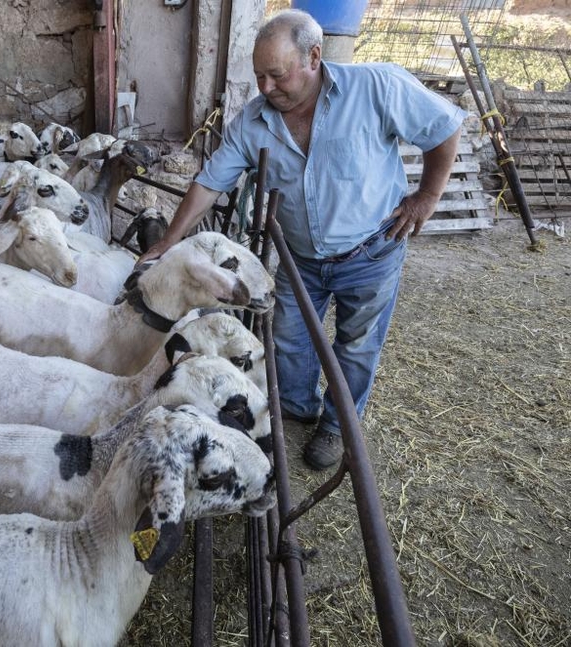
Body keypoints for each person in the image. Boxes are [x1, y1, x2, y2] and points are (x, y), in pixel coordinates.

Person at [137, 9, 463, 470]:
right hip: (300, 259)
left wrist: (427, 196)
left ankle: (336, 426)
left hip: (372, 251)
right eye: (259, 76)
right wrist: (170, 241)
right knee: (289, 340)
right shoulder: (254, 121)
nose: (266, 88)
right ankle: (299, 406)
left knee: (356, 344)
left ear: (313, 57)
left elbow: (444, 128)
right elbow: (210, 183)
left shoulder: (376, 87)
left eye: (277, 74)